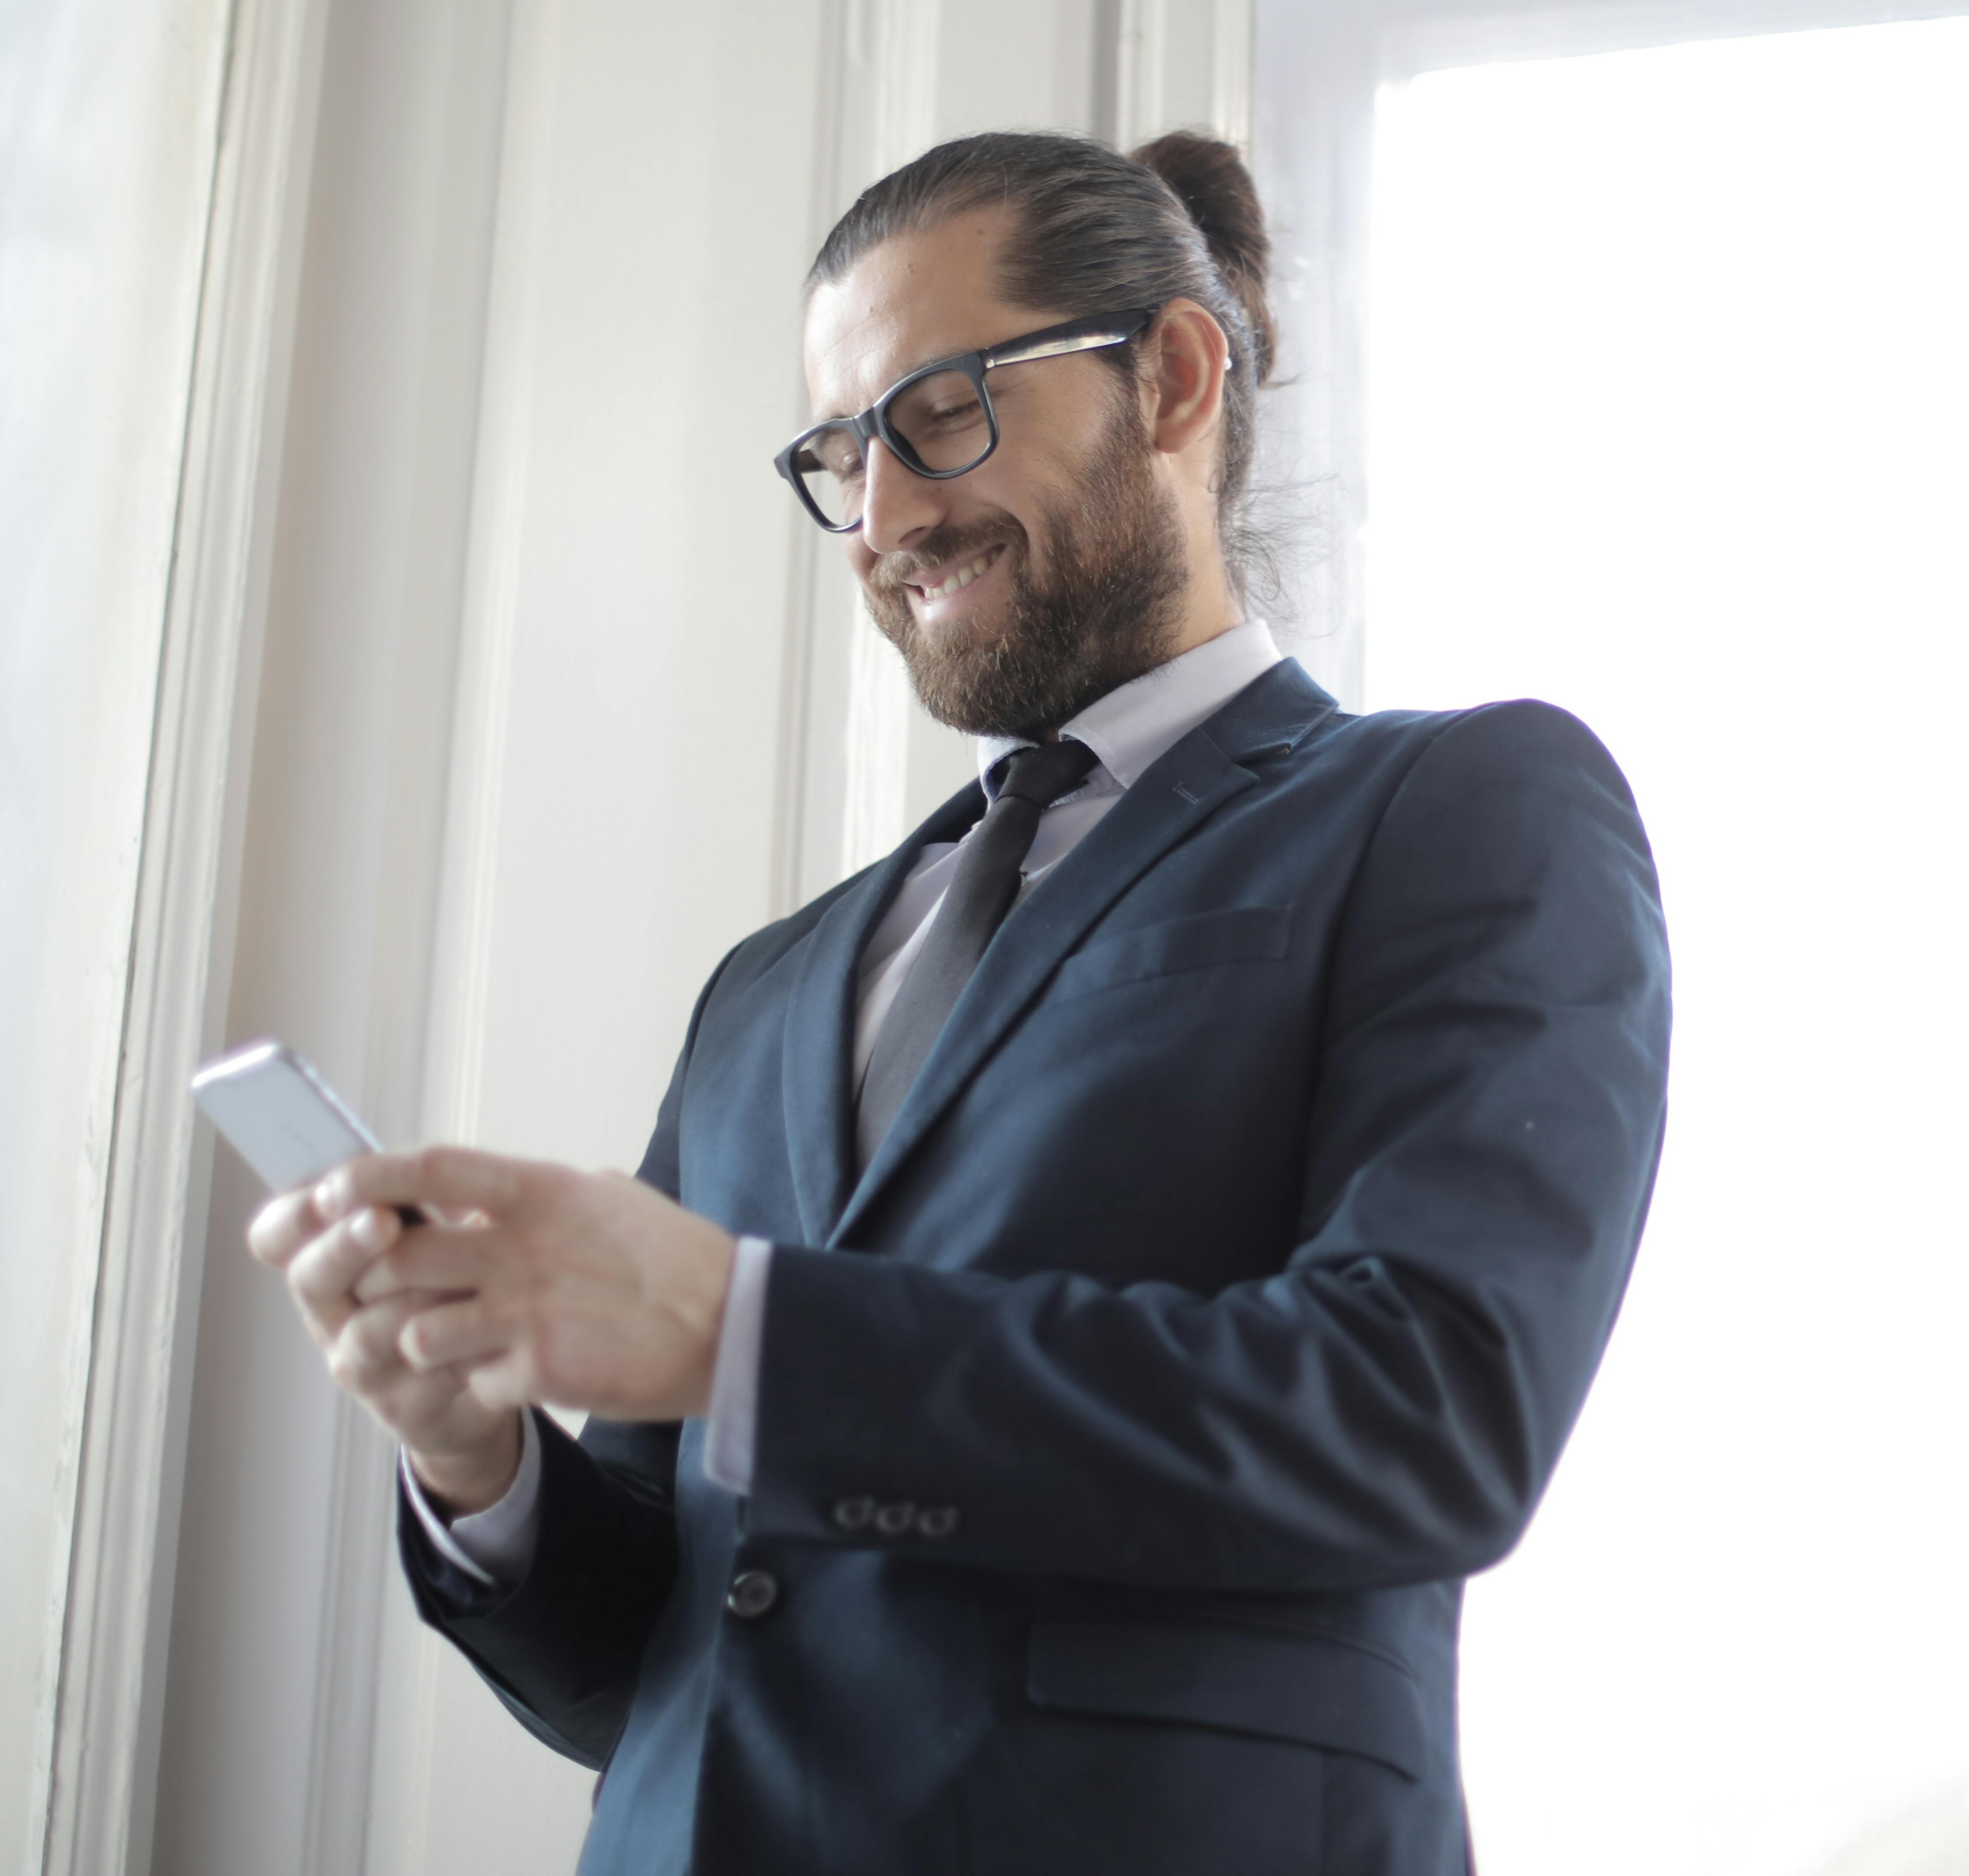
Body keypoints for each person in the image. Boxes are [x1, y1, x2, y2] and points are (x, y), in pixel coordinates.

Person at [251, 130, 1671, 1876]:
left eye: (940, 413)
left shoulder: (1463, 806)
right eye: (839, 456)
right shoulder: (768, 988)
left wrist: (746, 1332)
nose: (886, 516)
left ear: (1173, 374)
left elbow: (1427, 1413)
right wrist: (479, 1461)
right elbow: (656, 1667)